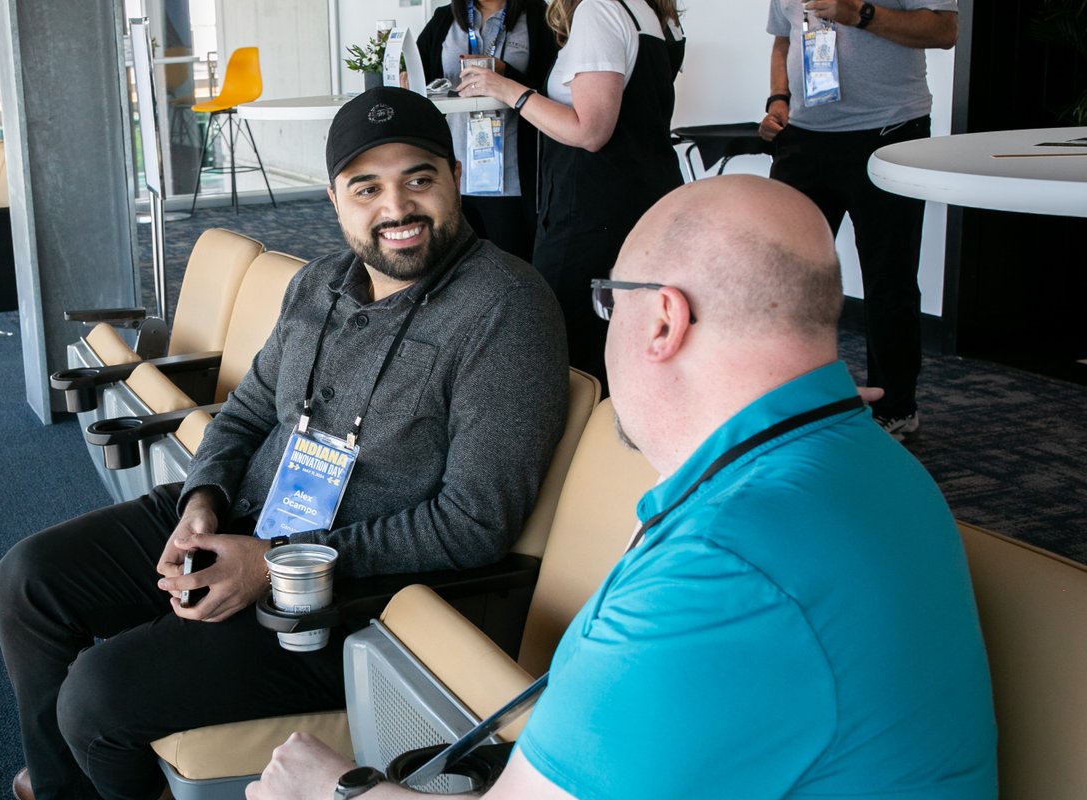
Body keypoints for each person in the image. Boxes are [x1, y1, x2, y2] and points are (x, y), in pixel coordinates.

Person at [244, 175, 997, 800]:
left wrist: (331, 788)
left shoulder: (729, 564)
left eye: (610, 301)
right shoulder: (864, 464)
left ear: (664, 319)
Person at [0, 86, 569, 800]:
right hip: (248, 518)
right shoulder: (320, 282)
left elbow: (475, 523)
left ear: (455, 177)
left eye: (419, 178)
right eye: (368, 187)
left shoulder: (506, 308)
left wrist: (275, 566)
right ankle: (60, 790)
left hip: (352, 591)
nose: (397, 208)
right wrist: (201, 500)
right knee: (30, 581)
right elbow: (247, 411)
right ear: (334, 199)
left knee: (97, 699)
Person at [456, 0, 684, 388]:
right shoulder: (653, 14)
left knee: (568, 350)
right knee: (623, 344)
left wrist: (508, 90)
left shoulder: (599, 10)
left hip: (593, 214)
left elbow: (590, 132)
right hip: (644, 203)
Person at [758, 0, 959, 440]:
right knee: (780, 277)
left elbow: (945, 31)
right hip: (804, 141)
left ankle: (895, 408)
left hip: (888, 134)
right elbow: (783, 40)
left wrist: (862, 15)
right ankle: (783, 402)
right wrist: (779, 98)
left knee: (889, 278)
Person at [416, 0, 557, 261]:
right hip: (457, 173)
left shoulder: (539, 16)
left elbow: (552, 87)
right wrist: (406, 76)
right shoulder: (445, 18)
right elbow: (420, 72)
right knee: (459, 269)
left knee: (514, 266)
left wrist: (504, 72)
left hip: (513, 177)